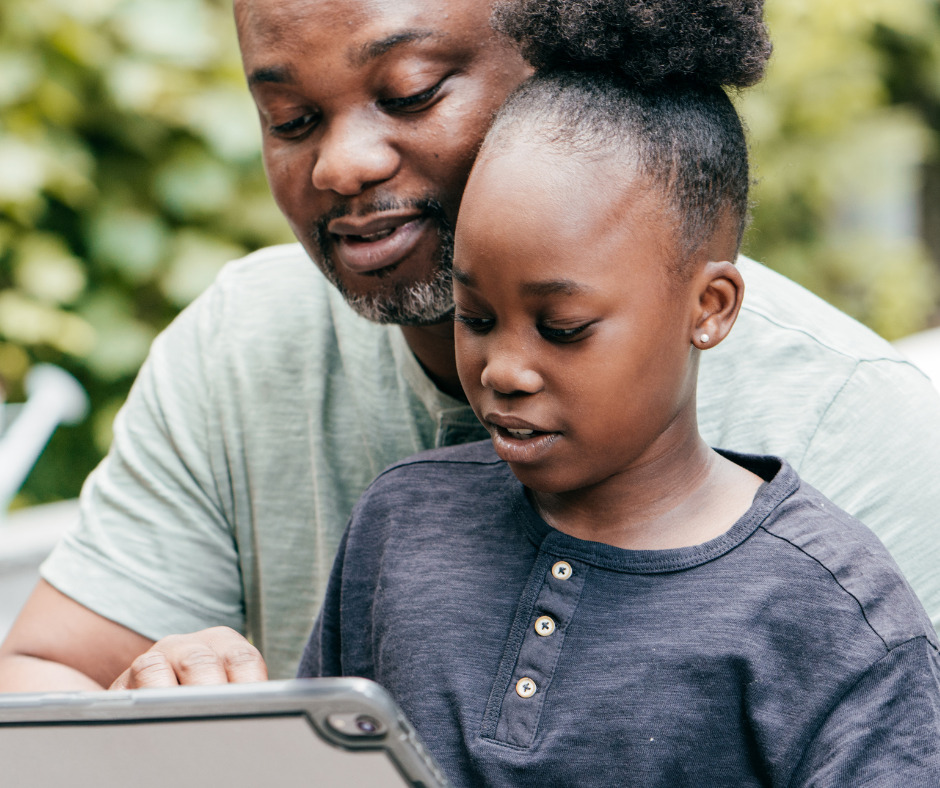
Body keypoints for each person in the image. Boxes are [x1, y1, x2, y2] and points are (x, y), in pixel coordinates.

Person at [2, 0, 940, 691]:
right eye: (291, 120)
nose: (341, 166)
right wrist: (140, 706)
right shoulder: (247, 347)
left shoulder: (850, 425)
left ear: (561, 72)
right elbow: (39, 681)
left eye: (409, 94)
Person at [298, 3, 940, 784]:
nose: (504, 368)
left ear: (710, 309)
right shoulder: (400, 524)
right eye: (476, 316)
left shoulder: (830, 611)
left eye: (562, 327)